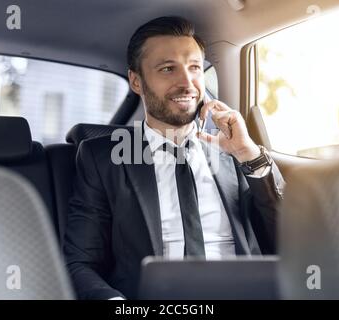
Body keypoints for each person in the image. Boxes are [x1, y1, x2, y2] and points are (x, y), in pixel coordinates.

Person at [63, 16, 285, 300]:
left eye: (194, 67)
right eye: (168, 69)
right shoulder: (102, 158)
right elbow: (80, 263)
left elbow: (292, 240)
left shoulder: (233, 151)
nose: (187, 82)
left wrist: (249, 154)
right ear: (136, 81)